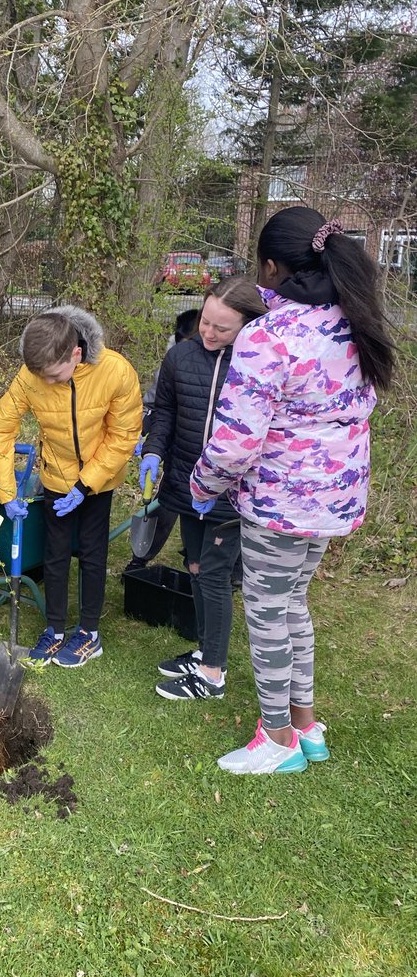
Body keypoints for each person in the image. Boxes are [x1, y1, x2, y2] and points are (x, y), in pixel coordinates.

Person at [191, 208, 394, 774]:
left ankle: (276, 738)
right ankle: (306, 727)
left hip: (282, 505)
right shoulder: (356, 321)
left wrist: (201, 484)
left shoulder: (270, 337)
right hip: (333, 500)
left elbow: (234, 442)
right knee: (293, 605)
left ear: (273, 268)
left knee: (266, 612)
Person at [0, 306, 141, 668]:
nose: (49, 384)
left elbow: (123, 435)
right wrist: (7, 495)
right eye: (43, 378)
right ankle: (54, 629)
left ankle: (89, 633)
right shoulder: (31, 375)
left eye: (55, 376)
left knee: (91, 552)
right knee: (54, 554)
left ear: (76, 354)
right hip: (55, 476)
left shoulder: (115, 371)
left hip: (98, 482)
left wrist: (87, 485)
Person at [139, 279, 267, 701]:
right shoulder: (180, 356)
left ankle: (212, 674)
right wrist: (154, 452)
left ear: (248, 327)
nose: (209, 333)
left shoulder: (258, 364)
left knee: (213, 575)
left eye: (222, 328)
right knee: (194, 568)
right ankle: (204, 650)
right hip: (183, 483)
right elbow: (165, 412)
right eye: (205, 322)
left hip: (230, 491)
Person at [125, 307, 200, 572]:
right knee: (167, 504)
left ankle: (206, 562)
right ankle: (140, 558)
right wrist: (142, 433)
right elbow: (154, 403)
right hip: (176, 450)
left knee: (207, 514)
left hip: (212, 454)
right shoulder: (173, 361)